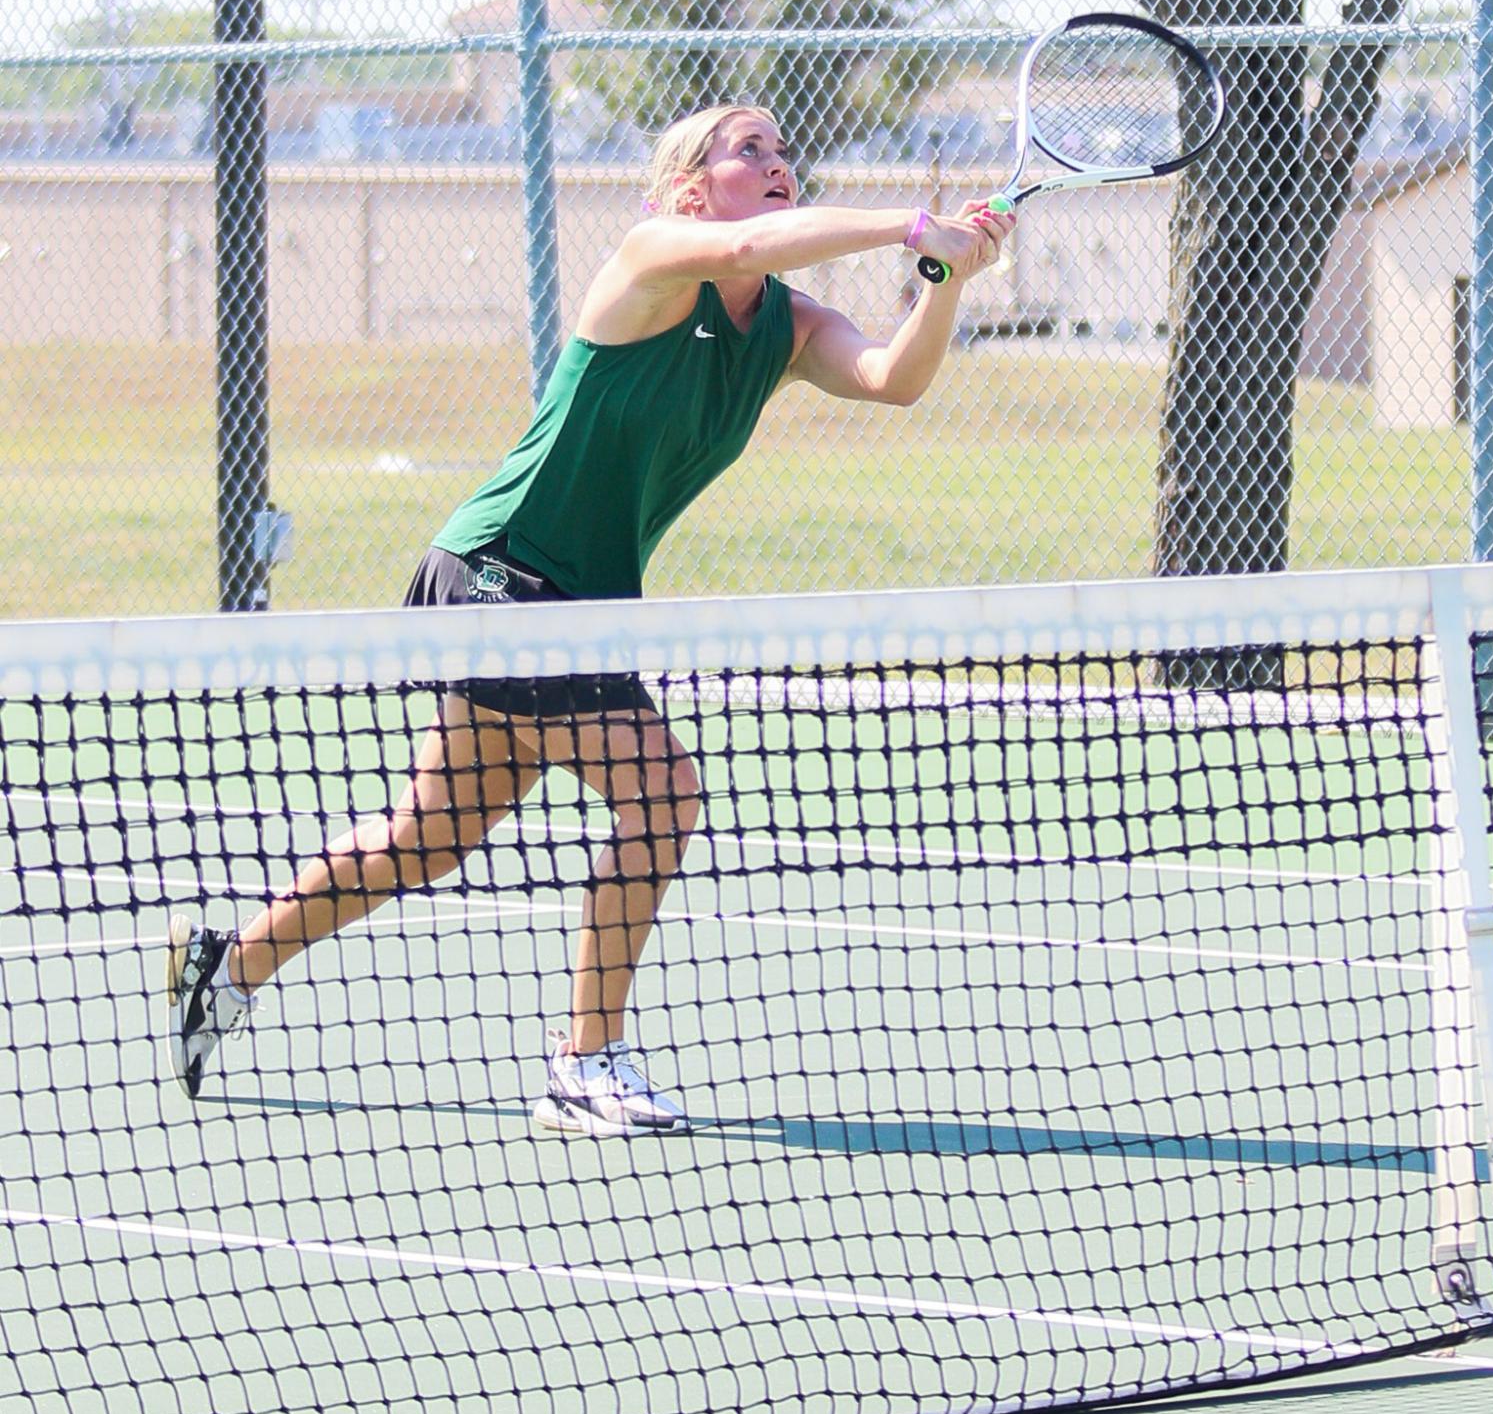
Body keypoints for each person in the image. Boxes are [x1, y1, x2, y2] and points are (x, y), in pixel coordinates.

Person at [166, 102, 1010, 1136]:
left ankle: (230, 965)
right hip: (500, 572)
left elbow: (894, 380)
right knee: (663, 792)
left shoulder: (784, 327)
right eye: (751, 151)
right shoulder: (653, 256)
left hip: (568, 600)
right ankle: (583, 1063)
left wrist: (943, 283)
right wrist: (912, 225)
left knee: (430, 840)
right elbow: (746, 243)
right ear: (688, 190)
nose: (779, 164)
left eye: (785, 150)